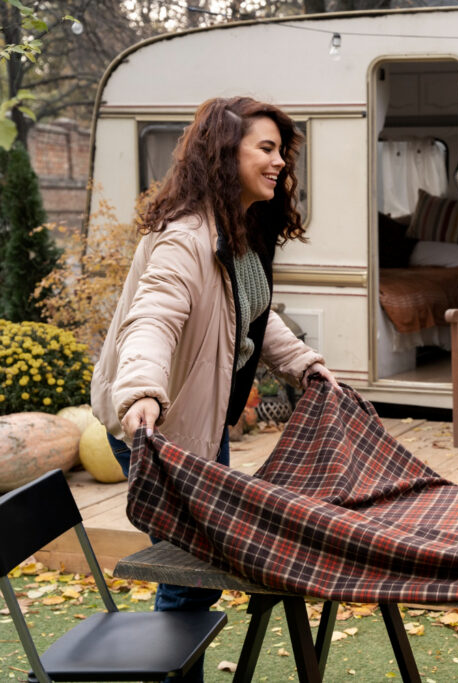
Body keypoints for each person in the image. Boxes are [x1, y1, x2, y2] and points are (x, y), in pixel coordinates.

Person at [91, 96, 339, 682]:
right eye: (267, 149)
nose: (279, 162)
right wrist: (142, 392)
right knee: (187, 578)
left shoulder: (237, 231)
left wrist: (303, 365)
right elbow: (151, 320)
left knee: (194, 579)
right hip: (158, 431)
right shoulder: (186, 238)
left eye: (282, 151)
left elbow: (253, 314)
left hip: (200, 430)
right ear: (227, 155)